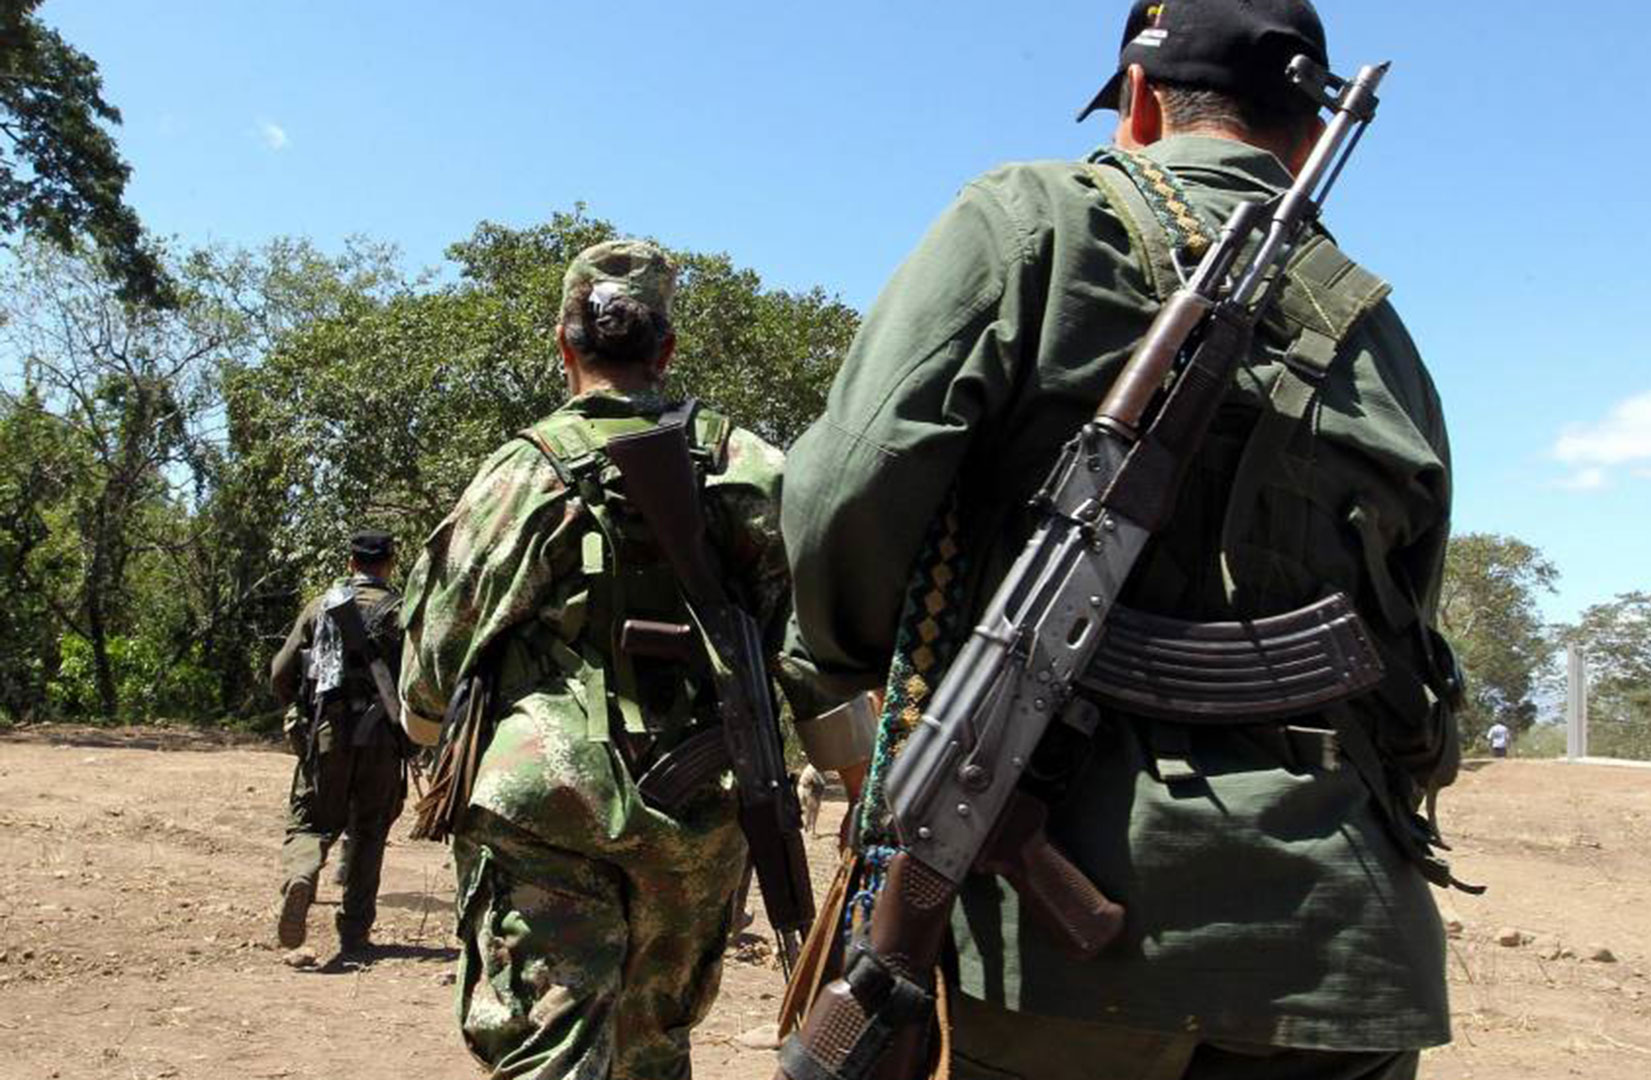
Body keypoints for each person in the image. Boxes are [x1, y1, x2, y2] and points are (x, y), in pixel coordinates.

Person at [781, 2, 1463, 1077]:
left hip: (1072, 964)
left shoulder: (1029, 217)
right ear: (1300, 127)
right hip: (1344, 934)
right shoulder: (1383, 331)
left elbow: (843, 488)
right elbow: (1413, 639)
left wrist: (863, 687)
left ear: (1138, 100)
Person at [398, 240, 869, 1080]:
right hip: (698, 810)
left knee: (547, 1046)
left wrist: (426, 723)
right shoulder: (749, 465)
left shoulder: (521, 472)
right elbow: (813, 648)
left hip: (543, 806)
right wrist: (856, 782)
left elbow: (437, 653)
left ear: (563, 342)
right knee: (653, 1043)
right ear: (668, 349)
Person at [269, 529, 409, 955]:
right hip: (382, 739)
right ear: (390, 564)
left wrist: (301, 707)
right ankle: (354, 934)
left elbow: (280, 673)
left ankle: (302, 877)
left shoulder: (320, 608)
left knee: (311, 821)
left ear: (351, 563)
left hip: (327, 733)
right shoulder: (402, 613)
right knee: (369, 832)